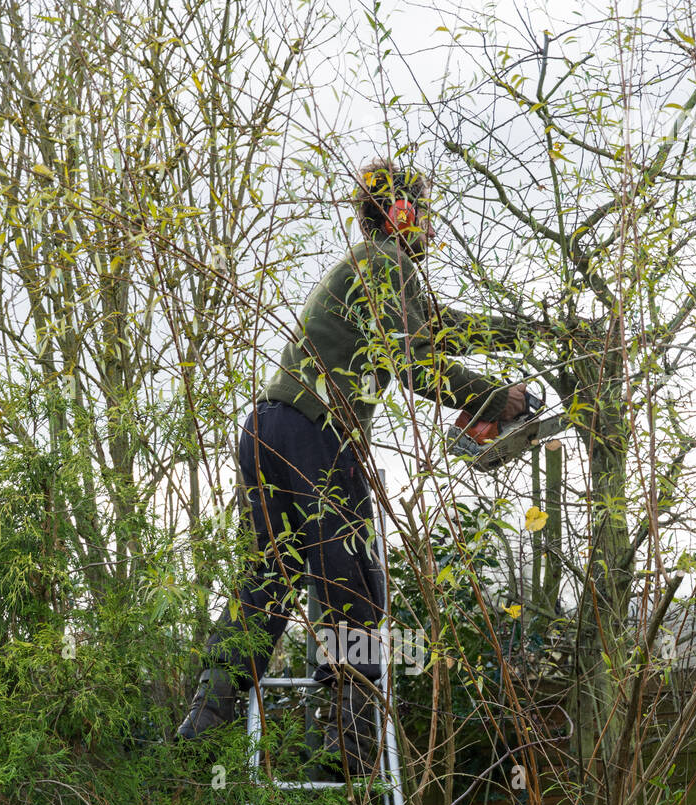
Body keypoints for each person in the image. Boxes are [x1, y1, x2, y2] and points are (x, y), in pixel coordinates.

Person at [177, 161, 528, 770]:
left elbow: (439, 333)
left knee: (272, 573)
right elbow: (420, 361)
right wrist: (496, 399)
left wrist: (522, 332)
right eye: (419, 208)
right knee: (354, 579)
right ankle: (350, 734)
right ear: (400, 212)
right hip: (318, 435)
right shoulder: (386, 264)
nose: (427, 223)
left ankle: (211, 708)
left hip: (267, 428)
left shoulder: (371, 272)